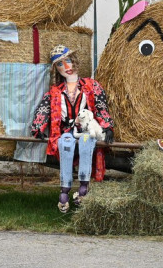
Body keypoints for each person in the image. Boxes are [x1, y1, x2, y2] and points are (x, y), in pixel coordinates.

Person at [30, 45, 114, 212]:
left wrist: (107, 126)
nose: (66, 67)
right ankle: (64, 191)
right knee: (65, 144)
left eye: (68, 61)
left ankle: (83, 188)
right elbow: (44, 108)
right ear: (56, 70)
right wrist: (38, 127)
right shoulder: (55, 92)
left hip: (85, 129)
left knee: (86, 143)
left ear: (75, 61)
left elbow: (100, 106)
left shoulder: (91, 86)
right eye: (60, 64)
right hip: (67, 130)